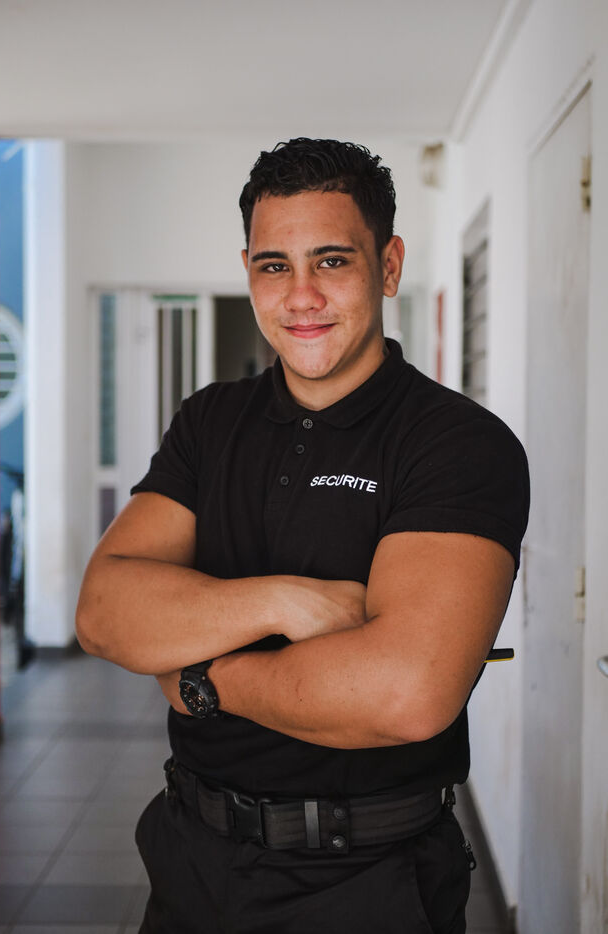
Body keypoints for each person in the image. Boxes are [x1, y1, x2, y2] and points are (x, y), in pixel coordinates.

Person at [76, 138, 529, 934]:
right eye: (273, 265)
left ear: (387, 266)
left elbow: (406, 694)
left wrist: (202, 679)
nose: (301, 296)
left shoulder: (454, 443)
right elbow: (104, 611)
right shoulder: (211, 421)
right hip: (191, 857)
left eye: (332, 260)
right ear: (247, 271)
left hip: (367, 878)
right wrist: (283, 602)